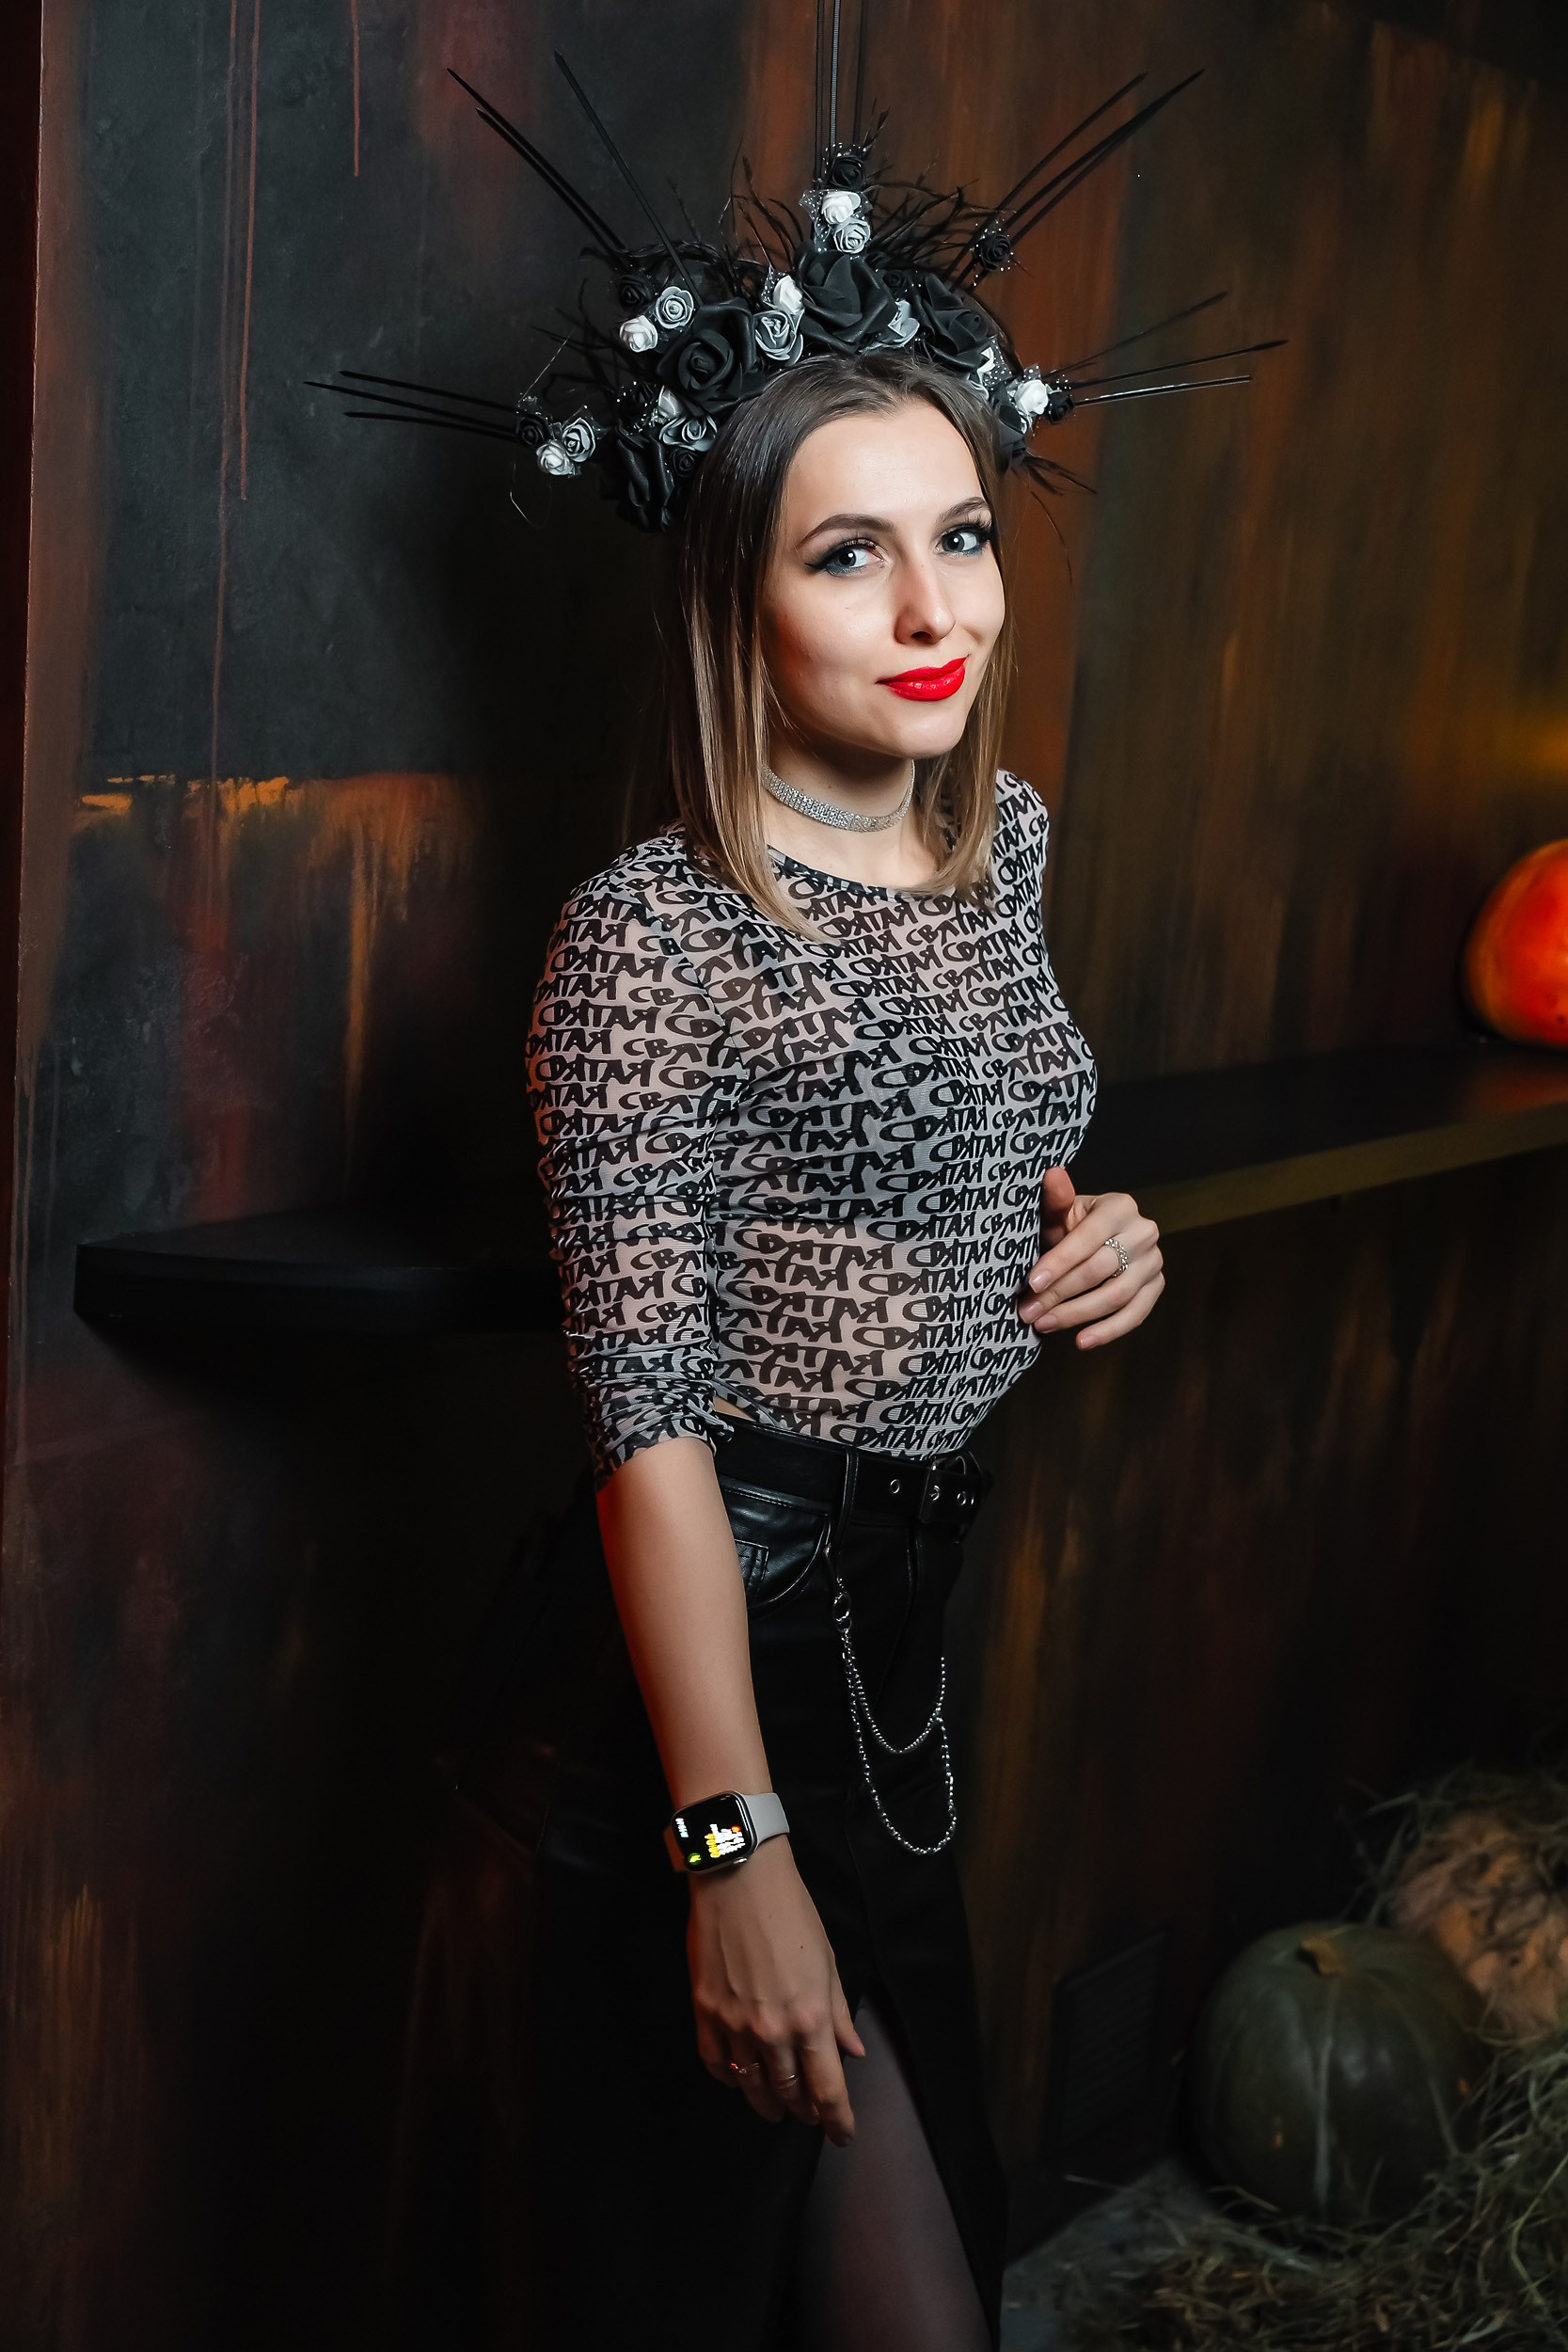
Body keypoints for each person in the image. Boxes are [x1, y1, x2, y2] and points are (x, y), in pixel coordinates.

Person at [519, 350, 1164, 2351]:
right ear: (739, 602)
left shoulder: (998, 853)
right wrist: (728, 1848)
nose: (931, 608)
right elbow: (649, 1425)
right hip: (715, 1660)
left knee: (913, 2240)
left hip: (899, 1644)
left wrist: (1101, 1234)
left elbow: (965, 1144)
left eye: (959, 536)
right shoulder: (654, 934)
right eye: (848, 555)